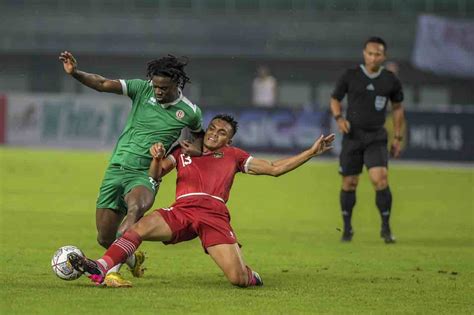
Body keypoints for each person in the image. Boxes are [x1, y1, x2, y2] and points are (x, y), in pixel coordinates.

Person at [67, 114, 335, 287]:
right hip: (181, 210)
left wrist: (311, 152)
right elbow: (156, 174)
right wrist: (157, 157)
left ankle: (249, 274)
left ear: (229, 140)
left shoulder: (234, 156)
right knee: (136, 228)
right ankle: (100, 268)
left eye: (222, 133)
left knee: (237, 280)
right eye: (213, 128)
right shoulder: (183, 151)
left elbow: (275, 168)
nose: (215, 134)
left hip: (214, 215)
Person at [59, 51, 204, 286]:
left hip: (145, 174)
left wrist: (191, 149)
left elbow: (199, 138)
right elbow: (103, 83)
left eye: (163, 88)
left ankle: (111, 273)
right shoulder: (142, 88)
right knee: (105, 237)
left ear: (176, 84)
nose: (158, 91)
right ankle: (131, 258)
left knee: (134, 210)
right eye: (155, 86)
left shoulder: (190, 111)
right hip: (116, 168)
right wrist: (75, 73)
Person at [329, 37, 405, 244]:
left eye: (378, 54)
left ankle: (386, 229)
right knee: (349, 182)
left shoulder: (390, 79)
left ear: (384, 56)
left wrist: (398, 137)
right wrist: (339, 118)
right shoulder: (350, 75)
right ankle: (347, 228)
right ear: (364, 54)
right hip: (352, 136)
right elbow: (335, 98)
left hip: (376, 137)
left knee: (380, 179)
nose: (373, 57)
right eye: (370, 53)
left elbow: (397, 108)